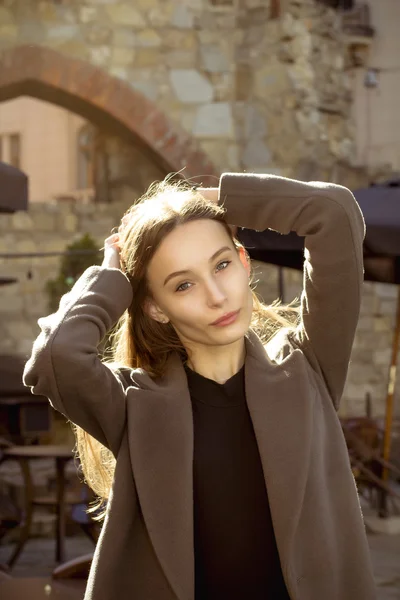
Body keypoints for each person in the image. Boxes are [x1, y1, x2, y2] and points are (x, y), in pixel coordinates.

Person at [23, 172, 376, 600]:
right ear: (156, 307)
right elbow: (55, 358)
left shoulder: (307, 368)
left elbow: (334, 213)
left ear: (244, 263)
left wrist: (209, 199)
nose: (216, 295)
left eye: (222, 264)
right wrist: (111, 277)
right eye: (183, 284)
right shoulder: (134, 404)